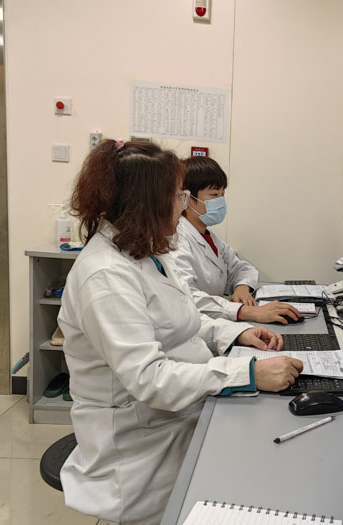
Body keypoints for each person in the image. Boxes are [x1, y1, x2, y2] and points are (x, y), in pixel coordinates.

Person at [57, 140, 303, 524]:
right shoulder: (105, 276)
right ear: (147, 202)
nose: (183, 205)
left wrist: (234, 335)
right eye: (178, 196)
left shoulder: (148, 252)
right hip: (143, 442)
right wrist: (248, 373)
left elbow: (182, 320)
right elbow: (150, 378)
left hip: (177, 414)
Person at [171, 156, 301, 324]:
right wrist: (246, 311)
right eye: (214, 194)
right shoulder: (177, 240)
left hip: (217, 324)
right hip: (198, 326)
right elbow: (187, 297)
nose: (220, 201)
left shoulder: (209, 237)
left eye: (222, 194)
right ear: (187, 198)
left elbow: (242, 268)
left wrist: (242, 288)